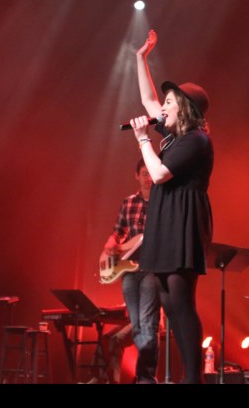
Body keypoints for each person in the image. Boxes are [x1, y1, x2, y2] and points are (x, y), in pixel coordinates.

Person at [128, 29, 213, 384]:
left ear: (186, 109)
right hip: (166, 219)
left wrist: (143, 139)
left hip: (183, 220)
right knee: (166, 298)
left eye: (170, 103)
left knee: (180, 300)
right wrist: (140, 58)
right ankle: (187, 375)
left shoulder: (196, 140)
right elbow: (149, 101)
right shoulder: (176, 136)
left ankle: (194, 378)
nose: (161, 108)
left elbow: (159, 174)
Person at [100, 159, 161, 383]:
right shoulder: (129, 202)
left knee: (148, 323)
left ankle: (146, 377)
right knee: (136, 325)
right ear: (136, 176)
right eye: (144, 173)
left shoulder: (163, 201)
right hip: (128, 269)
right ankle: (144, 376)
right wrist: (109, 246)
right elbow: (118, 232)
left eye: (150, 173)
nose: (148, 178)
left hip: (152, 267)